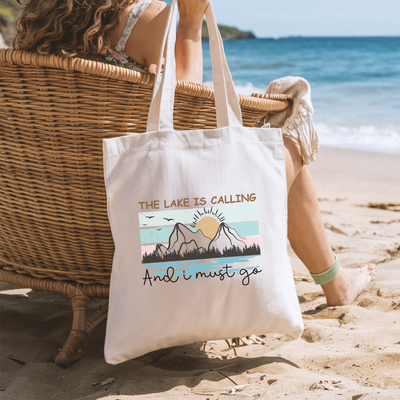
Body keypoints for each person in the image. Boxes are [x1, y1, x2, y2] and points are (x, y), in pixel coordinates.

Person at [12, 0, 376, 306]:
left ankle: (337, 281)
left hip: (52, 238)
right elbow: (188, 119)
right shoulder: (144, 19)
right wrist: (188, 24)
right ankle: (335, 283)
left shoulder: (36, 27)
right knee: (285, 124)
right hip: (150, 237)